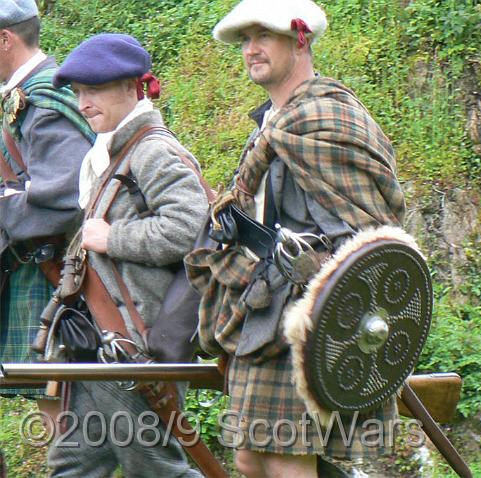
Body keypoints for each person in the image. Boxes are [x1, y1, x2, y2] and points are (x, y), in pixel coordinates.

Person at [185, 0, 406, 476]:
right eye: (245, 40)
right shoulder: (272, 122)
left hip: (306, 316)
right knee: (249, 459)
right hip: (261, 306)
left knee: (287, 463)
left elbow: (365, 234)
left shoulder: (328, 120)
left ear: (300, 39)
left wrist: (304, 275)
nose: (251, 49)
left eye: (263, 35)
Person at [46, 33, 207, 478]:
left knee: (156, 470)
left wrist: (112, 237)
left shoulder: (153, 151)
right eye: (78, 92)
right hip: (98, 343)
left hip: (133, 345)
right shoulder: (112, 153)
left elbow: (191, 230)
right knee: (71, 467)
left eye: (93, 89)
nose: (82, 103)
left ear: (132, 88)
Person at [0, 0, 94, 401]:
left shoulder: (42, 100)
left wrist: (5, 206)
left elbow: (66, 197)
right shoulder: (26, 94)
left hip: (58, 270)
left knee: (59, 405)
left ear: (4, 40)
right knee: (52, 404)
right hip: (40, 265)